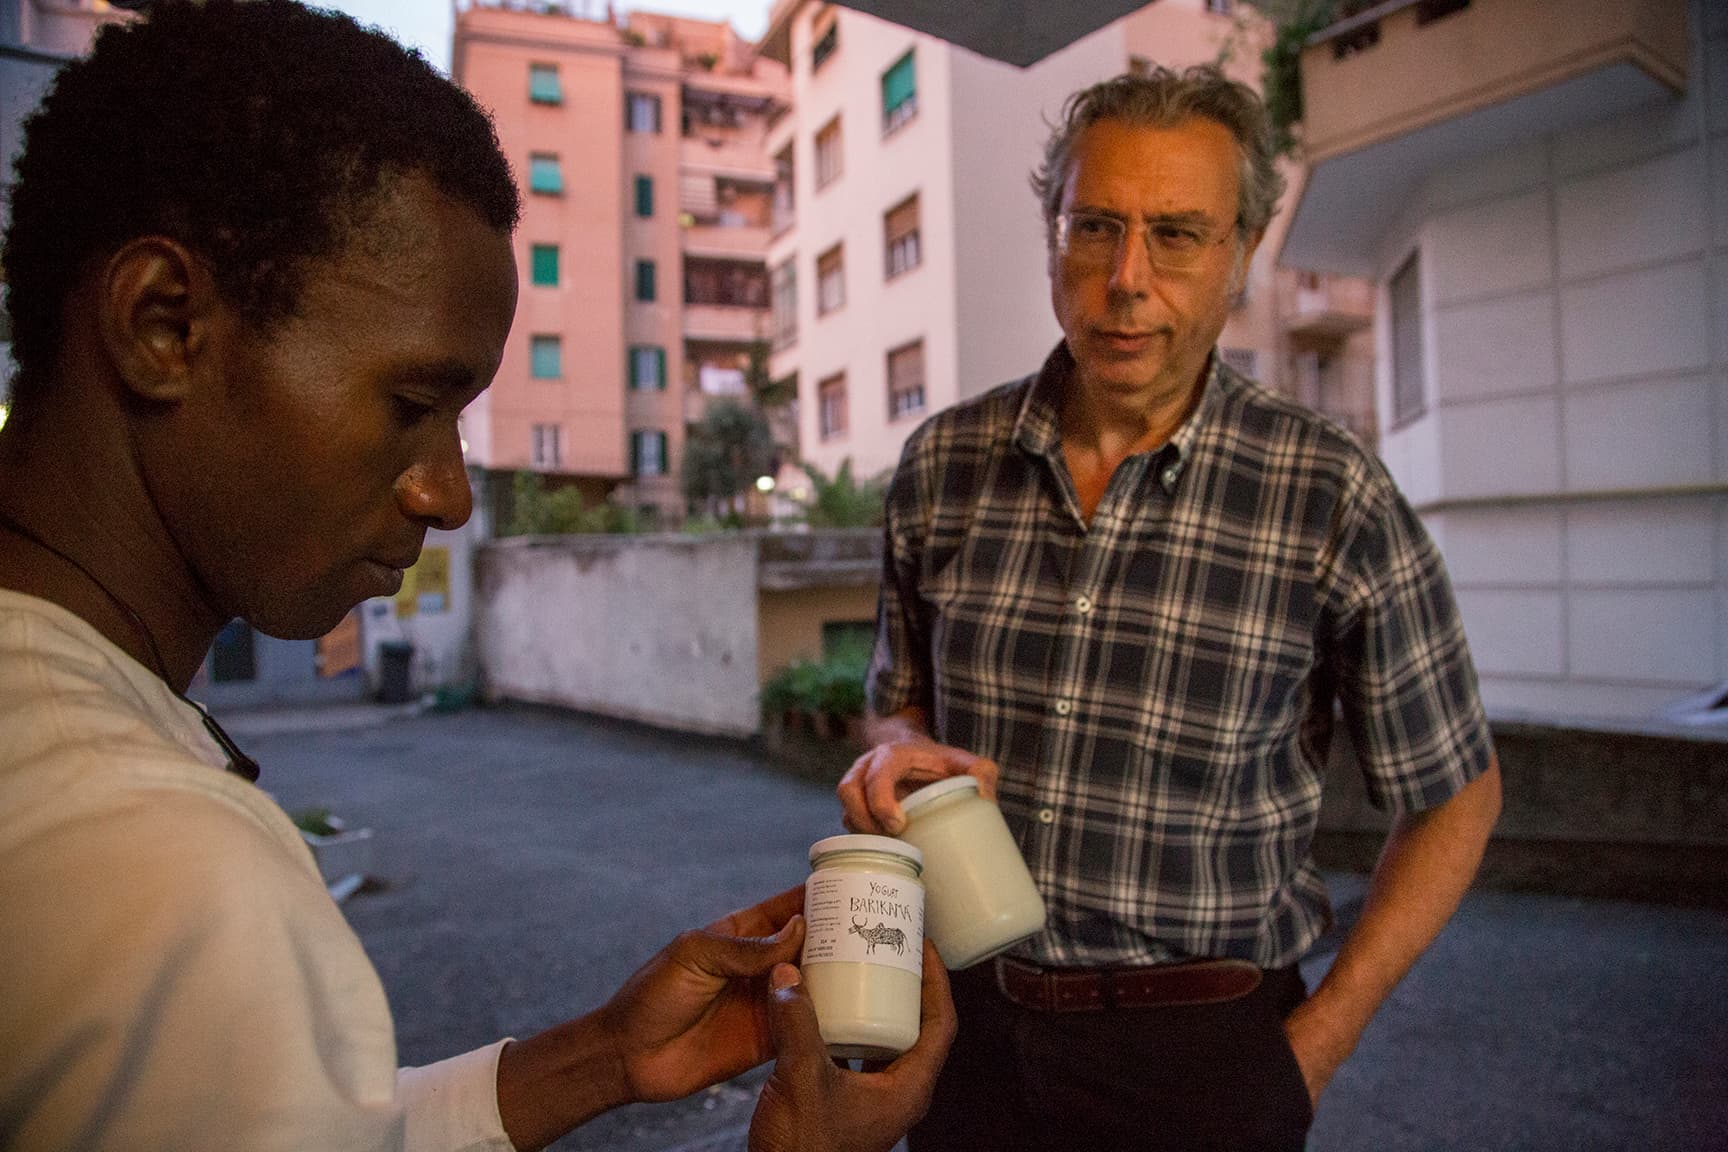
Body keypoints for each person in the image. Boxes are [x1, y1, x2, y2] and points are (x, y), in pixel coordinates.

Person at [0, 3, 953, 1149]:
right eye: (413, 405)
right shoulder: (152, 856)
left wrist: (601, 1053)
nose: (448, 494)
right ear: (163, 324)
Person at [838, 65, 1502, 1151]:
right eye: (1095, 225)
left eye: (1178, 234)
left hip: (1207, 1056)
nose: (1127, 278)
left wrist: (1315, 1045)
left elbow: (1458, 797)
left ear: (1241, 254)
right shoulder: (942, 463)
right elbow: (895, 704)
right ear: (1052, 233)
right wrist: (897, 751)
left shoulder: (1329, 489)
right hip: (964, 1031)